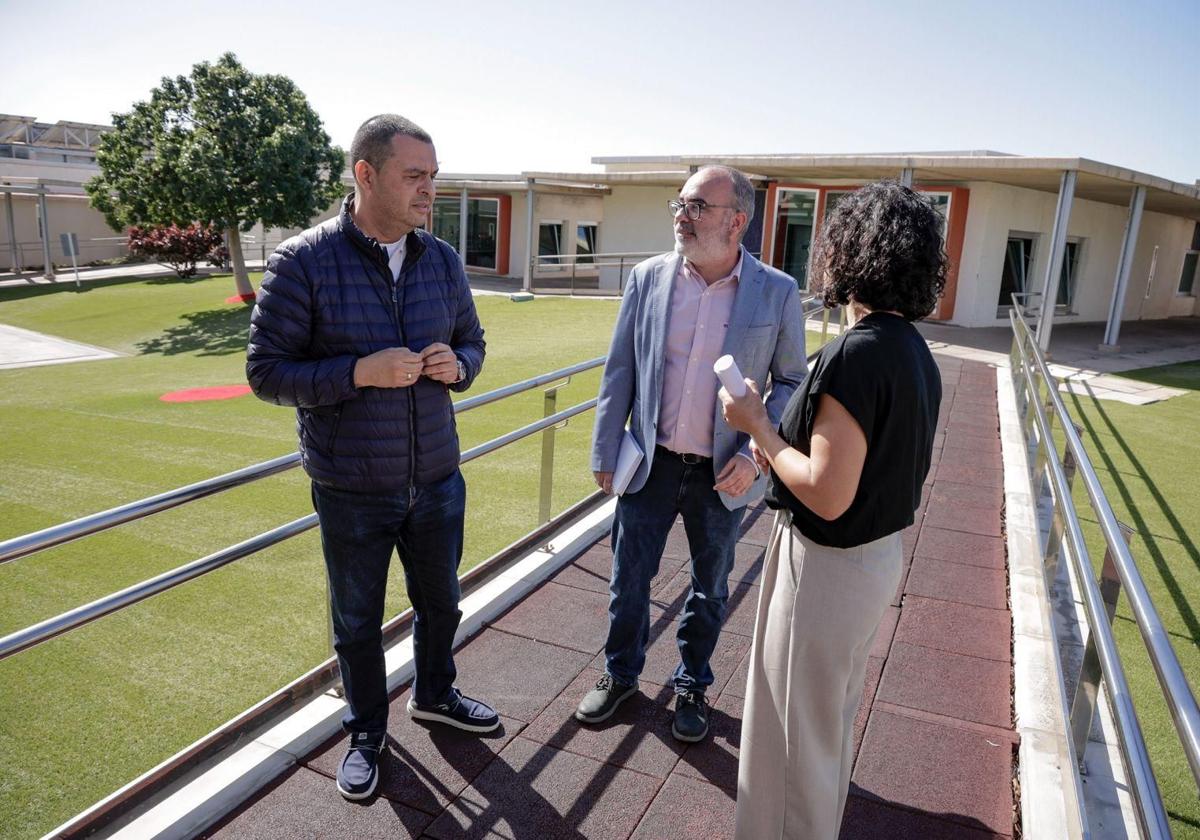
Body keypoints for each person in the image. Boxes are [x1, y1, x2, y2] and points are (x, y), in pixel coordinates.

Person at [246, 114, 498, 802]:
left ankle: (437, 695)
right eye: (415, 176)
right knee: (357, 623)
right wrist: (360, 372)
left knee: (442, 602)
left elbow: (474, 343)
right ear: (366, 174)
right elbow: (267, 373)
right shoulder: (302, 261)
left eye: (433, 176)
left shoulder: (440, 259)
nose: (429, 190)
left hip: (438, 478)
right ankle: (365, 733)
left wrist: (458, 365)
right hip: (352, 486)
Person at [719, 180, 946, 838]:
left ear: (847, 253)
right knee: (819, 735)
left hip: (827, 566)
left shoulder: (859, 353)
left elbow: (825, 489)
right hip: (867, 563)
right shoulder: (909, 350)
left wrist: (757, 427)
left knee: (795, 745)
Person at [579, 165, 808, 742]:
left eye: (698, 206)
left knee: (711, 587)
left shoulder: (777, 292)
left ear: (738, 220)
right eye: (680, 204)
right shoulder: (650, 278)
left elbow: (791, 383)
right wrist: (606, 446)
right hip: (650, 461)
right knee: (628, 580)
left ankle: (692, 685)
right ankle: (620, 674)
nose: (683, 215)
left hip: (724, 470)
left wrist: (757, 453)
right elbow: (621, 369)